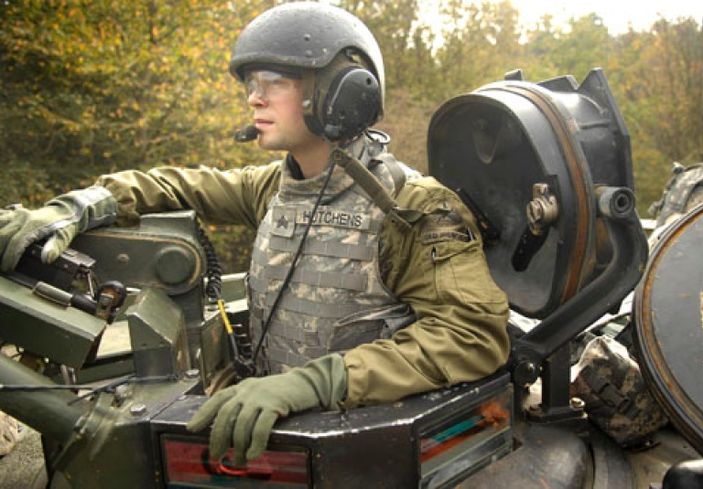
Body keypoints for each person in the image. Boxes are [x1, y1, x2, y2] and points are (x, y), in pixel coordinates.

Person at [0, 2, 509, 465]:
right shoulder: (276, 187)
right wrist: (81, 204)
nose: (253, 97)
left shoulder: (414, 208)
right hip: (273, 438)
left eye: (273, 80)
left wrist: (314, 383)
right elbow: (177, 184)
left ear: (339, 94)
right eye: (250, 82)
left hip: (364, 451)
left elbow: (473, 336)